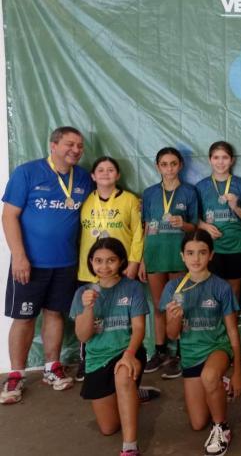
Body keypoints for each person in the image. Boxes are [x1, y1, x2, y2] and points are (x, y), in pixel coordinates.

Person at [1, 126, 92, 405]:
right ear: (53, 145)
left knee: (55, 315)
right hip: (29, 263)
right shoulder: (27, 173)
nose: (75, 150)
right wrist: (18, 256)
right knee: (25, 317)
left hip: (66, 263)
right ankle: (16, 374)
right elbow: (9, 216)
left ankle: (52, 367)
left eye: (79, 146)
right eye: (69, 144)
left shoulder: (84, 179)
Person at [161, 229, 241, 456]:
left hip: (217, 348)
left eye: (201, 253)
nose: (195, 258)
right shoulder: (172, 289)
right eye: (190, 253)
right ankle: (219, 384)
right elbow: (171, 334)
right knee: (197, 423)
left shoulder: (221, 287)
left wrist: (238, 370)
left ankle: (222, 428)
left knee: (209, 376)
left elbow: (231, 330)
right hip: (190, 354)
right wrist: (175, 319)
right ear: (182, 256)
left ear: (211, 255)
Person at [71, 238, 149, 456]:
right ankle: (134, 393)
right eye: (98, 261)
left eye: (111, 260)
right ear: (90, 262)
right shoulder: (82, 293)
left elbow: (139, 329)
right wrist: (88, 308)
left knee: (123, 375)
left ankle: (130, 447)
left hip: (127, 351)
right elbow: (83, 336)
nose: (104, 266)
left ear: (121, 261)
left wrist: (129, 355)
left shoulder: (133, 288)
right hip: (97, 359)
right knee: (109, 428)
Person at [76, 156, 144, 381]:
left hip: (121, 270)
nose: (106, 173)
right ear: (93, 176)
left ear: (118, 175)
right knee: (90, 312)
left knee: (120, 315)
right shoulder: (85, 201)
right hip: (91, 270)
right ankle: (86, 357)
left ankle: (124, 354)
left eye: (111, 169)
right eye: (101, 170)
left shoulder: (130, 200)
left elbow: (138, 234)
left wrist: (133, 263)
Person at [140, 147, 199, 378]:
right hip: (155, 255)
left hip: (178, 256)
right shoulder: (149, 193)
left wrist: (182, 224)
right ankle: (160, 350)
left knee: (179, 305)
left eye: (173, 164)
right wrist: (144, 259)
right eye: (164, 164)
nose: (169, 169)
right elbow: (146, 226)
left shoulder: (189, 192)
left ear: (180, 165)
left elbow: (194, 225)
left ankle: (182, 354)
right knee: (158, 306)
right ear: (158, 167)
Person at [196, 141, 241, 302]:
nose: (220, 162)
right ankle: (216, 325)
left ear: (232, 160)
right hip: (211, 247)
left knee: (234, 290)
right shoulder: (201, 187)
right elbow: (193, 218)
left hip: (236, 245)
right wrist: (204, 225)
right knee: (211, 290)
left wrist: (235, 206)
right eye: (216, 157)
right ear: (209, 160)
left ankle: (231, 325)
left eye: (225, 157)